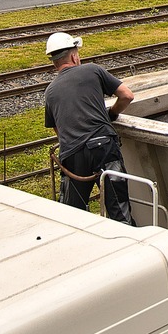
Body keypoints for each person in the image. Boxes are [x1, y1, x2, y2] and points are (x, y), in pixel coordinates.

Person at [43, 32, 136, 224]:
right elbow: (127, 95)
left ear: (54, 62)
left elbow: (58, 130)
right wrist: (111, 114)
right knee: (119, 210)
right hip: (103, 148)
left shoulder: (50, 92)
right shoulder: (92, 70)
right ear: (74, 56)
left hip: (72, 156)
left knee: (73, 215)